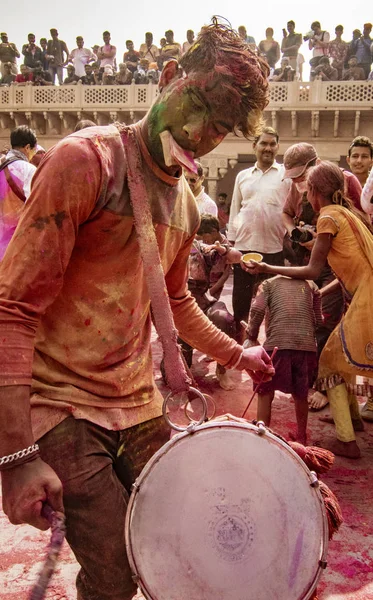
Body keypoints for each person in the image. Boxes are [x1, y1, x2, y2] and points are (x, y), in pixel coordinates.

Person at [0, 21, 273, 600]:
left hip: (137, 403)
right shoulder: (85, 163)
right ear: (169, 76)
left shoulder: (186, 205)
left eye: (220, 126)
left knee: (176, 540)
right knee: (118, 574)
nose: (199, 133)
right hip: (61, 406)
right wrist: (16, 456)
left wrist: (237, 353)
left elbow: (172, 303)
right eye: (195, 103)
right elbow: (13, 309)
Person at [245, 161, 373, 459]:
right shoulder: (348, 214)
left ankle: (346, 440)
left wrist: (265, 267)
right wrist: (320, 291)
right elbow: (344, 274)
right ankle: (352, 421)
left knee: (329, 362)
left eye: (307, 193)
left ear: (314, 192)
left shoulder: (328, 216)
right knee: (344, 358)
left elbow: (314, 270)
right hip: (363, 295)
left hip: (365, 299)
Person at [281, 142, 362, 410]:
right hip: (320, 261)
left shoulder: (343, 184)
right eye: (293, 179)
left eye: (301, 178)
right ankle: (315, 380)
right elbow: (286, 214)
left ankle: (325, 388)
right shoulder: (301, 191)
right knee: (313, 318)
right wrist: (297, 233)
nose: (299, 184)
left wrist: (320, 239)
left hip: (338, 265)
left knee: (332, 326)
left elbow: (357, 223)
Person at [227, 127, 291, 337]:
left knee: (273, 305)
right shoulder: (243, 176)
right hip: (245, 248)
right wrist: (231, 243)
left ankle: (271, 350)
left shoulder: (285, 175)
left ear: (278, 147)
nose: (268, 148)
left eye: (272, 144)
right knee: (241, 303)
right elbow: (235, 209)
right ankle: (240, 349)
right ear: (254, 146)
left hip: (274, 249)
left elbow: (291, 209)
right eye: (263, 143)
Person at [245, 273, 322, 444]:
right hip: (306, 346)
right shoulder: (311, 284)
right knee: (301, 394)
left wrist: (251, 334)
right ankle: (301, 437)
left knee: (264, 389)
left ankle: (261, 436)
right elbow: (318, 319)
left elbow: (257, 309)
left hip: (277, 345)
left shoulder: (268, 283)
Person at [178, 214, 243, 390]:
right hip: (178, 307)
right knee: (179, 370)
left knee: (224, 319)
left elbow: (237, 258)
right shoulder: (170, 246)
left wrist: (223, 250)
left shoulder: (200, 248)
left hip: (201, 300)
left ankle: (222, 371)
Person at [0, 125, 37, 260]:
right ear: (27, 148)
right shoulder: (28, 170)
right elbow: (33, 206)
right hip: (17, 243)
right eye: (33, 150)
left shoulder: (1, 163)